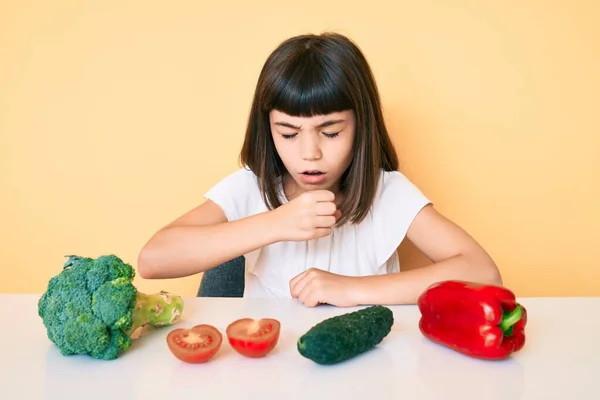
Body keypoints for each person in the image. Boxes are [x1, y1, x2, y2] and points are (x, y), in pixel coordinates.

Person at [137, 32, 502, 307]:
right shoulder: (250, 187)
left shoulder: (386, 192)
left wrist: (350, 288)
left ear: (362, 125)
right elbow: (153, 260)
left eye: (330, 132)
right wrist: (275, 223)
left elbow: (483, 274)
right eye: (288, 133)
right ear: (268, 130)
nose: (309, 153)